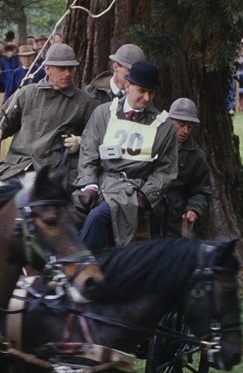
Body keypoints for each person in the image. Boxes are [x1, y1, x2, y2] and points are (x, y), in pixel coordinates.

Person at [75, 59, 178, 249]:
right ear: (128, 85)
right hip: (100, 183)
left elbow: (166, 171)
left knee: (98, 217)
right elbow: (88, 152)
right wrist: (89, 184)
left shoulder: (163, 127)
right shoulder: (104, 113)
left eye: (151, 92)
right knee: (59, 211)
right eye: (142, 91)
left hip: (130, 190)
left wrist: (145, 196)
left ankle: (79, 272)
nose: (147, 98)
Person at [0, 42, 97, 184]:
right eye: (62, 68)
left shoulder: (85, 102)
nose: (68, 73)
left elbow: (100, 136)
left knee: (23, 202)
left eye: (71, 68)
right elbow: (3, 120)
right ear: (47, 68)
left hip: (53, 174)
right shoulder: (26, 93)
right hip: (16, 169)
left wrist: (81, 142)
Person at [156, 98, 212, 239]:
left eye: (190, 126)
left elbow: (202, 190)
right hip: (149, 215)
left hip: (176, 219)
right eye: (181, 124)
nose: (185, 131)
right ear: (169, 121)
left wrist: (194, 208)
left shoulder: (196, 156)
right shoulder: (153, 145)